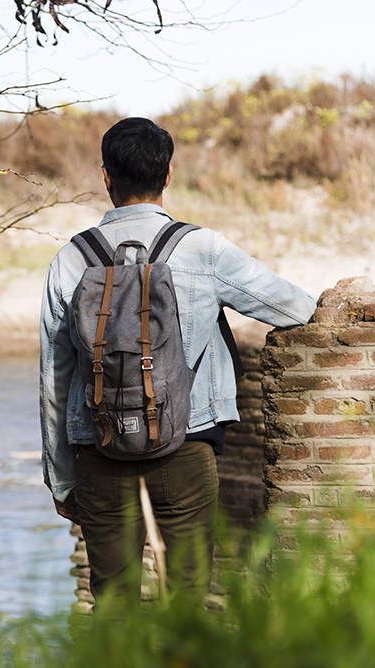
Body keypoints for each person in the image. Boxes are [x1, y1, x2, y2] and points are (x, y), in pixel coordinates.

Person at [39, 117, 317, 603]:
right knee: (187, 604)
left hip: (99, 454)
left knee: (113, 608)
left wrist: (62, 480)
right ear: (168, 176)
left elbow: (54, 381)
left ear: (106, 176)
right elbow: (293, 308)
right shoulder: (203, 249)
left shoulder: (70, 260)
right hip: (186, 447)